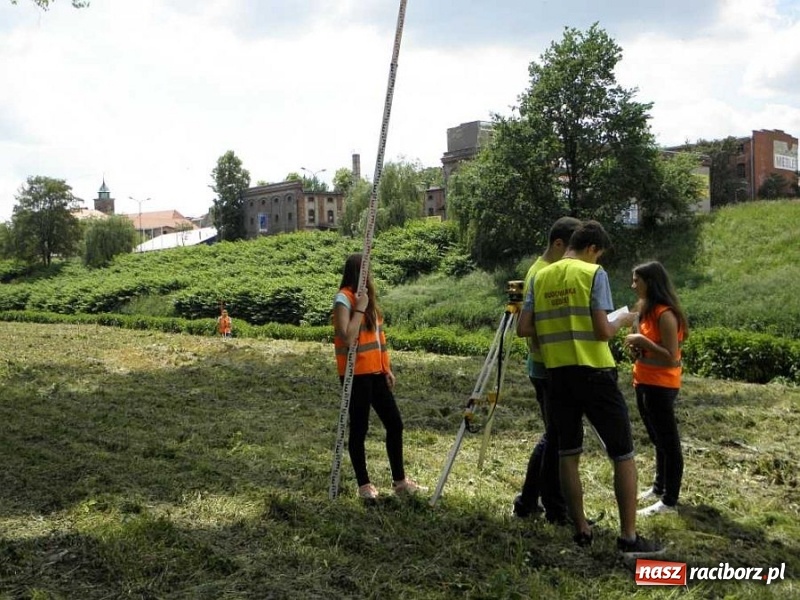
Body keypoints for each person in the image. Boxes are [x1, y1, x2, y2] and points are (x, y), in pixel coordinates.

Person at [517, 220, 664, 558]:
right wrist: (623, 320)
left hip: (556, 376)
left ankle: (581, 528)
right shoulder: (592, 274)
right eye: (599, 256)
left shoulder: (540, 276)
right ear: (592, 249)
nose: (598, 262)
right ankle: (628, 538)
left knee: (568, 453)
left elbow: (524, 327)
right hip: (595, 373)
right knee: (623, 454)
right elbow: (601, 331)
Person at [332, 253, 423, 500]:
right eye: (366, 270)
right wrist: (359, 308)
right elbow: (348, 337)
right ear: (358, 273)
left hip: (376, 374)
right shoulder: (344, 299)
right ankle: (364, 485)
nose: (369, 275)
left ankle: (400, 481)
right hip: (355, 376)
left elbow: (379, 340)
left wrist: (386, 368)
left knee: (395, 424)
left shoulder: (370, 302)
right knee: (359, 430)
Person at [513, 216, 581, 523]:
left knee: (554, 436)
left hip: (549, 366)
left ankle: (531, 503)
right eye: (573, 250)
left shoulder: (545, 270)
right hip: (546, 368)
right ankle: (551, 507)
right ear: (558, 244)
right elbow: (530, 327)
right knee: (556, 437)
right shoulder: (541, 274)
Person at [624, 261, 688, 517]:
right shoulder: (644, 310)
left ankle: (669, 501)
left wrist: (642, 340)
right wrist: (637, 348)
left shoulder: (665, 314)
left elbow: (671, 357)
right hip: (643, 382)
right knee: (656, 438)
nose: (632, 285)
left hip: (662, 385)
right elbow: (649, 349)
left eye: (636, 280)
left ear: (650, 282)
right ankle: (659, 487)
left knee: (669, 443)